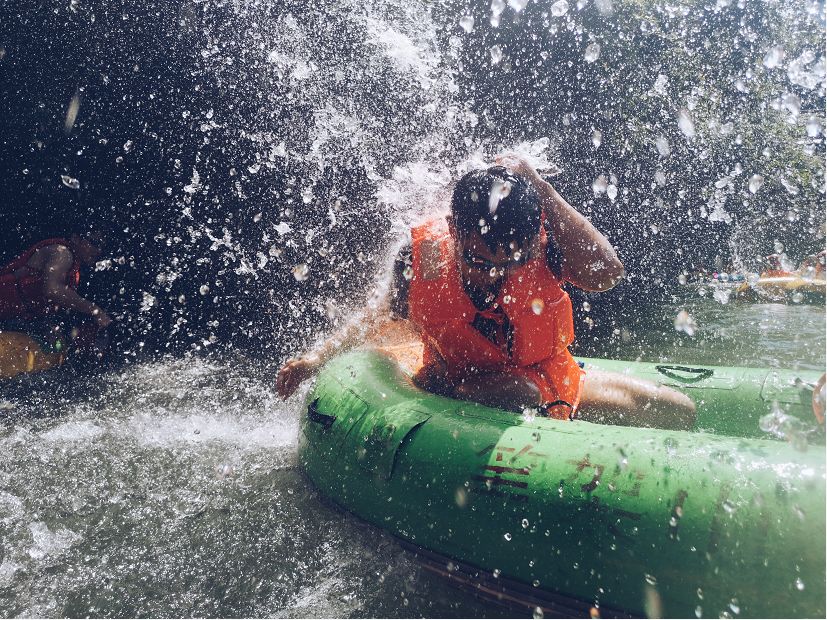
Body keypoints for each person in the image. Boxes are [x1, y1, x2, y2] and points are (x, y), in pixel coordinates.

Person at [277, 155, 696, 430]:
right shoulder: (420, 259)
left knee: (676, 409)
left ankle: (551, 409)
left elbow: (608, 272)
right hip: (456, 383)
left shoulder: (544, 246)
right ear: (455, 233)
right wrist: (317, 358)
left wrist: (538, 186)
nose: (496, 276)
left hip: (548, 381)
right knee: (519, 395)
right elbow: (379, 315)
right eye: (481, 263)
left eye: (510, 265)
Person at [0, 231, 113, 329]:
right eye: (94, 243)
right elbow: (52, 290)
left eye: (101, 247)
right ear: (75, 239)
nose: (98, 251)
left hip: (11, 316)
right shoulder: (62, 253)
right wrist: (94, 309)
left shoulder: (73, 267)